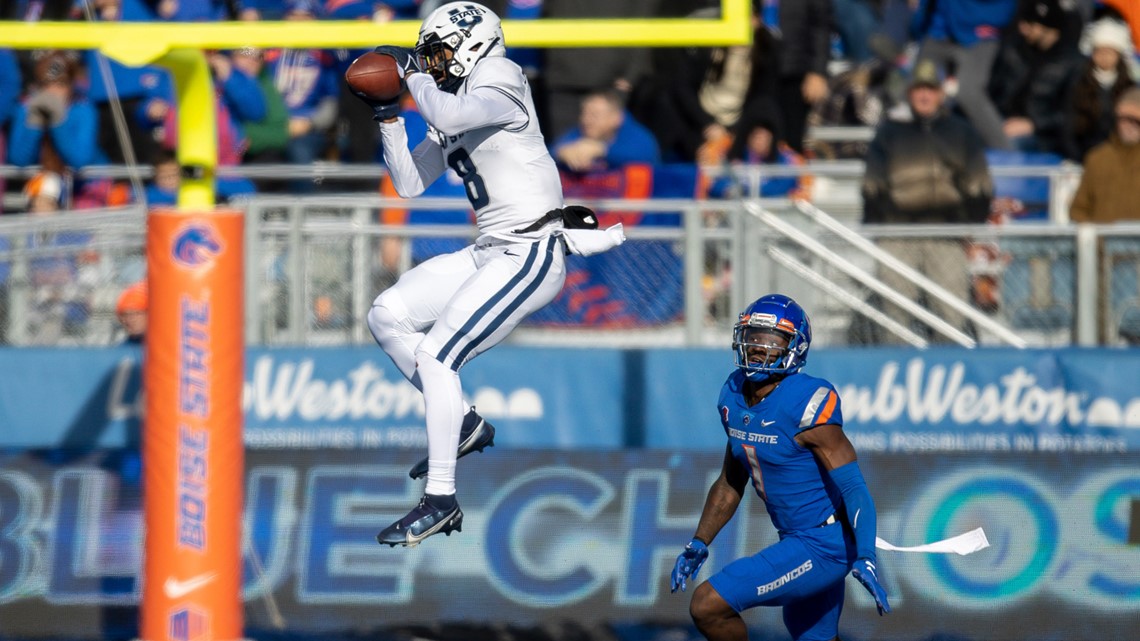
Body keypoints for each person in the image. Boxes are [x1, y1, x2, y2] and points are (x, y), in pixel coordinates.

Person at [352, 1, 623, 547]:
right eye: (426, 57)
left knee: (437, 356)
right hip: (490, 249)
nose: (431, 65)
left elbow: (449, 117)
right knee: (386, 315)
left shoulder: (500, 75)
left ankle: (440, 499)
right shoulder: (451, 99)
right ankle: (466, 425)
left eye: (438, 52)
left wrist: (408, 77)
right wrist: (387, 115)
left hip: (531, 249)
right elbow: (409, 181)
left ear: (473, 42)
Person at [670, 294, 890, 641]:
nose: (758, 346)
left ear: (795, 346)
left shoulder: (807, 402)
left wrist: (866, 555)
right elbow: (731, 482)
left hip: (824, 544)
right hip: (796, 538)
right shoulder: (733, 394)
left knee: (707, 604)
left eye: (772, 339)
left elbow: (853, 488)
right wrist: (700, 541)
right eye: (753, 335)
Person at [861, 59, 994, 343]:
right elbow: (872, 185)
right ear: (910, 93)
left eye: (931, 89)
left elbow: (980, 183)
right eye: (919, 89)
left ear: (940, 94)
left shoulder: (961, 131)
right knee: (894, 312)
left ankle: (951, 375)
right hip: (897, 236)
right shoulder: (889, 133)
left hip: (945, 235)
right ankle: (894, 376)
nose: (924, 96)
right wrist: (883, 226)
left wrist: (967, 225)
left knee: (951, 312)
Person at [1069, 86, 1140, 223]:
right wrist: (1094, 238)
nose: (1127, 125)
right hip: (1103, 243)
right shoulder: (1097, 158)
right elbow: (1078, 209)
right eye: (1122, 119)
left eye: (1134, 120)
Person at [115, 280, 147, 344]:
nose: (130, 319)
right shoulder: (123, 349)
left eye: (137, 313)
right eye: (125, 315)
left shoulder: (167, 343)